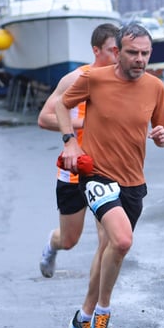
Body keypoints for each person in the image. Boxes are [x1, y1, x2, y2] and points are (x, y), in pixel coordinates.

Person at [55, 22, 164, 328]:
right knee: (121, 240)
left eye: (145, 53)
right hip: (96, 176)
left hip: (134, 183)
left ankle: (84, 314)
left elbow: (162, 132)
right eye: (132, 52)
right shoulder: (94, 79)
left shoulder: (155, 87)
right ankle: (103, 314)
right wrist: (70, 144)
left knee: (111, 250)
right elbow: (62, 105)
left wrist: (162, 136)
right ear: (117, 52)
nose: (139, 59)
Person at [37, 23, 119, 278]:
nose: (117, 56)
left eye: (120, 50)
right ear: (96, 50)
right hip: (73, 169)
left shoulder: (122, 81)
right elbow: (45, 118)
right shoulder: (75, 79)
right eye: (112, 50)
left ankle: (96, 305)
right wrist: (84, 122)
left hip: (105, 170)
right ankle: (52, 244)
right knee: (69, 239)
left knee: (108, 240)